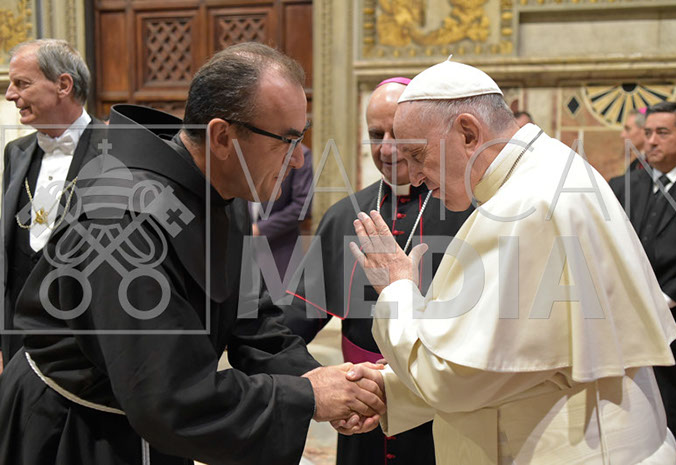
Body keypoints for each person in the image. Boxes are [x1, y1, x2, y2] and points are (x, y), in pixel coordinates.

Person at [0, 43, 385, 465]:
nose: (296, 162)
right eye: (287, 140)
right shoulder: (122, 220)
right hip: (75, 433)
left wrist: (313, 376)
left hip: (144, 428)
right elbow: (170, 396)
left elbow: (251, 317)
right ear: (222, 137)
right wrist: (306, 396)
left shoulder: (224, 190)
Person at [346, 59, 676, 464]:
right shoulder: (549, 168)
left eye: (418, 154)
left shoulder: (524, 208)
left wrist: (398, 288)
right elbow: (507, 371)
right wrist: (390, 390)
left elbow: (453, 381)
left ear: (468, 133)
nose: (414, 176)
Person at [283, 77, 472, 465]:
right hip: (361, 410)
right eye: (375, 134)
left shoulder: (467, 213)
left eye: (398, 134)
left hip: (441, 408)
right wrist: (327, 385)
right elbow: (294, 321)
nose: (386, 148)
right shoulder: (343, 216)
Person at [2, 39, 105, 371]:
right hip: (18, 336)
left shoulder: (116, 149)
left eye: (22, 83)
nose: (10, 95)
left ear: (63, 85)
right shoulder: (15, 152)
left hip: (83, 343)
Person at [610, 101, 676, 465]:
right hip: (624, 320)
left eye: (662, 133)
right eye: (647, 133)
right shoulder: (623, 185)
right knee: (628, 417)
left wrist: (666, 298)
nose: (651, 141)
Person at [250, 143, 313, 278]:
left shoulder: (301, 155)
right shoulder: (252, 150)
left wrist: (260, 229)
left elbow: (302, 206)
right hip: (245, 248)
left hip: (280, 249)